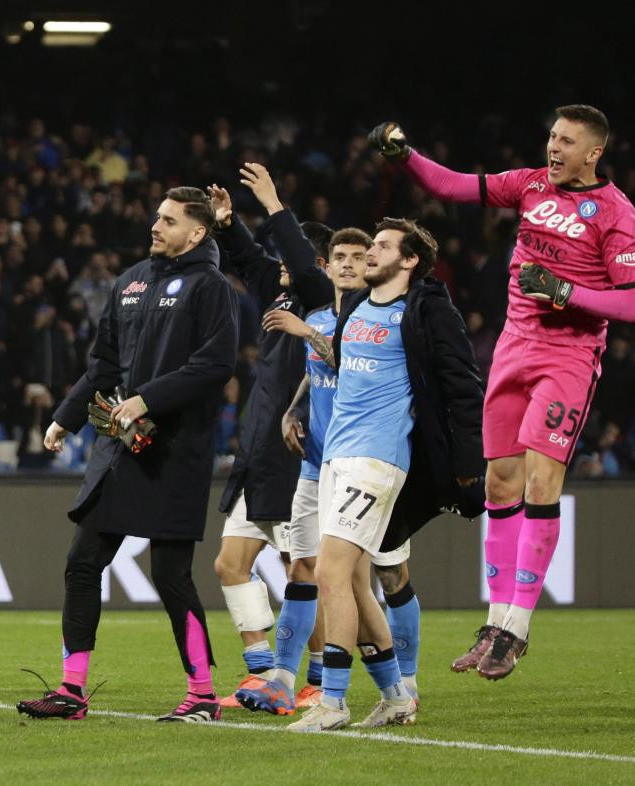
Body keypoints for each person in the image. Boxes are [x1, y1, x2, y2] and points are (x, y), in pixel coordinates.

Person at [371, 104, 635, 678]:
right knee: (499, 480)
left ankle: (517, 628)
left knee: (543, 478)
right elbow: (451, 185)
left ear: (594, 153)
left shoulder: (620, 216)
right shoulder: (528, 185)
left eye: (567, 141)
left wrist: (565, 290)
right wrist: (405, 157)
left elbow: (633, 304)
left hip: (567, 358)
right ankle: (495, 623)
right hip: (512, 351)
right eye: (551, 136)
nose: (554, 147)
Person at [16, 187, 239, 723]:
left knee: (169, 574)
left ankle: (203, 694)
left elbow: (216, 365)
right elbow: (104, 364)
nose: (155, 226)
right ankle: (71, 691)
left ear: (198, 232)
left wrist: (148, 397)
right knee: (82, 562)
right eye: (156, 217)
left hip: (177, 452)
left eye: (168, 220)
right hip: (120, 449)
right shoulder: (132, 280)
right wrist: (65, 417)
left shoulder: (211, 287)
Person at [288, 218, 483, 732]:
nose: (369, 253)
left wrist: (468, 465)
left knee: (330, 571)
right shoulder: (354, 307)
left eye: (380, 246)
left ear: (410, 259)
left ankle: (332, 703)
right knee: (352, 580)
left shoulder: (421, 312)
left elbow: (462, 384)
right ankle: (396, 696)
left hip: (377, 459)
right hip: (335, 456)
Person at [203, 164, 332, 716]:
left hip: (292, 456)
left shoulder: (323, 301)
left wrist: (274, 204)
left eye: (292, 255)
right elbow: (255, 262)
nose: (280, 264)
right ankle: (262, 676)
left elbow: (297, 262)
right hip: (257, 451)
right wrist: (229, 225)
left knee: (300, 570)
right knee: (230, 564)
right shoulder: (280, 295)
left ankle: (320, 680)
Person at [253, 228, 373, 712]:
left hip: (361, 464)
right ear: (327, 266)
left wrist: (305, 331)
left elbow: (351, 363)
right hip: (314, 461)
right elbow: (314, 369)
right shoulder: (323, 314)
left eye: (357, 257)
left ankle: (399, 684)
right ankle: (284, 676)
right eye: (339, 257)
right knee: (301, 566)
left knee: (377, 577)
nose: (346, 264)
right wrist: (293, 410)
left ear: (371, 265)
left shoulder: (373, 319)